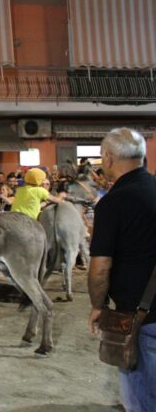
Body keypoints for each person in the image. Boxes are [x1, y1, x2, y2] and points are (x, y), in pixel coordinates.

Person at [88, 128, 156, 412]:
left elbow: (100, 269)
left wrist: (98, 305)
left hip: (142, 317)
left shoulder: (113, 203)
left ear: (108, 157)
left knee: (141, 399)